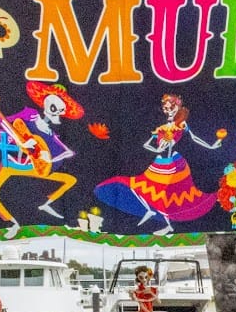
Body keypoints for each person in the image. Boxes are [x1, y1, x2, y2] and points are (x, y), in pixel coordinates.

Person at [95, 93, 223, 236]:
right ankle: (149, 209)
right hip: (159, 164)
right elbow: (148, 144)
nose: (168, 111)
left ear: (178, 108)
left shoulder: (181, 125)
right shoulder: (161, 128)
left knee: (168, 197)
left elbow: (194, 138)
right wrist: (157, 148)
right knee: (138, 187)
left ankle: (168, 225)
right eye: (166, 108)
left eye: (171, 108)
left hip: (175, 166)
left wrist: (211, 146)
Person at [0, 81, 82, 237]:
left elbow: (53, 157)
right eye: (54, 108)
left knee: (70, 180)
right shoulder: (30, 115)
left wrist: (50, 158)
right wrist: (21, 142)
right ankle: (11, 222)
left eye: (61, 110)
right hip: (13, 162)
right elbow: (4, 123)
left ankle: (46, 203)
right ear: (45, 103)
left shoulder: (52, 134)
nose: (56, 114)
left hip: (34, 167)